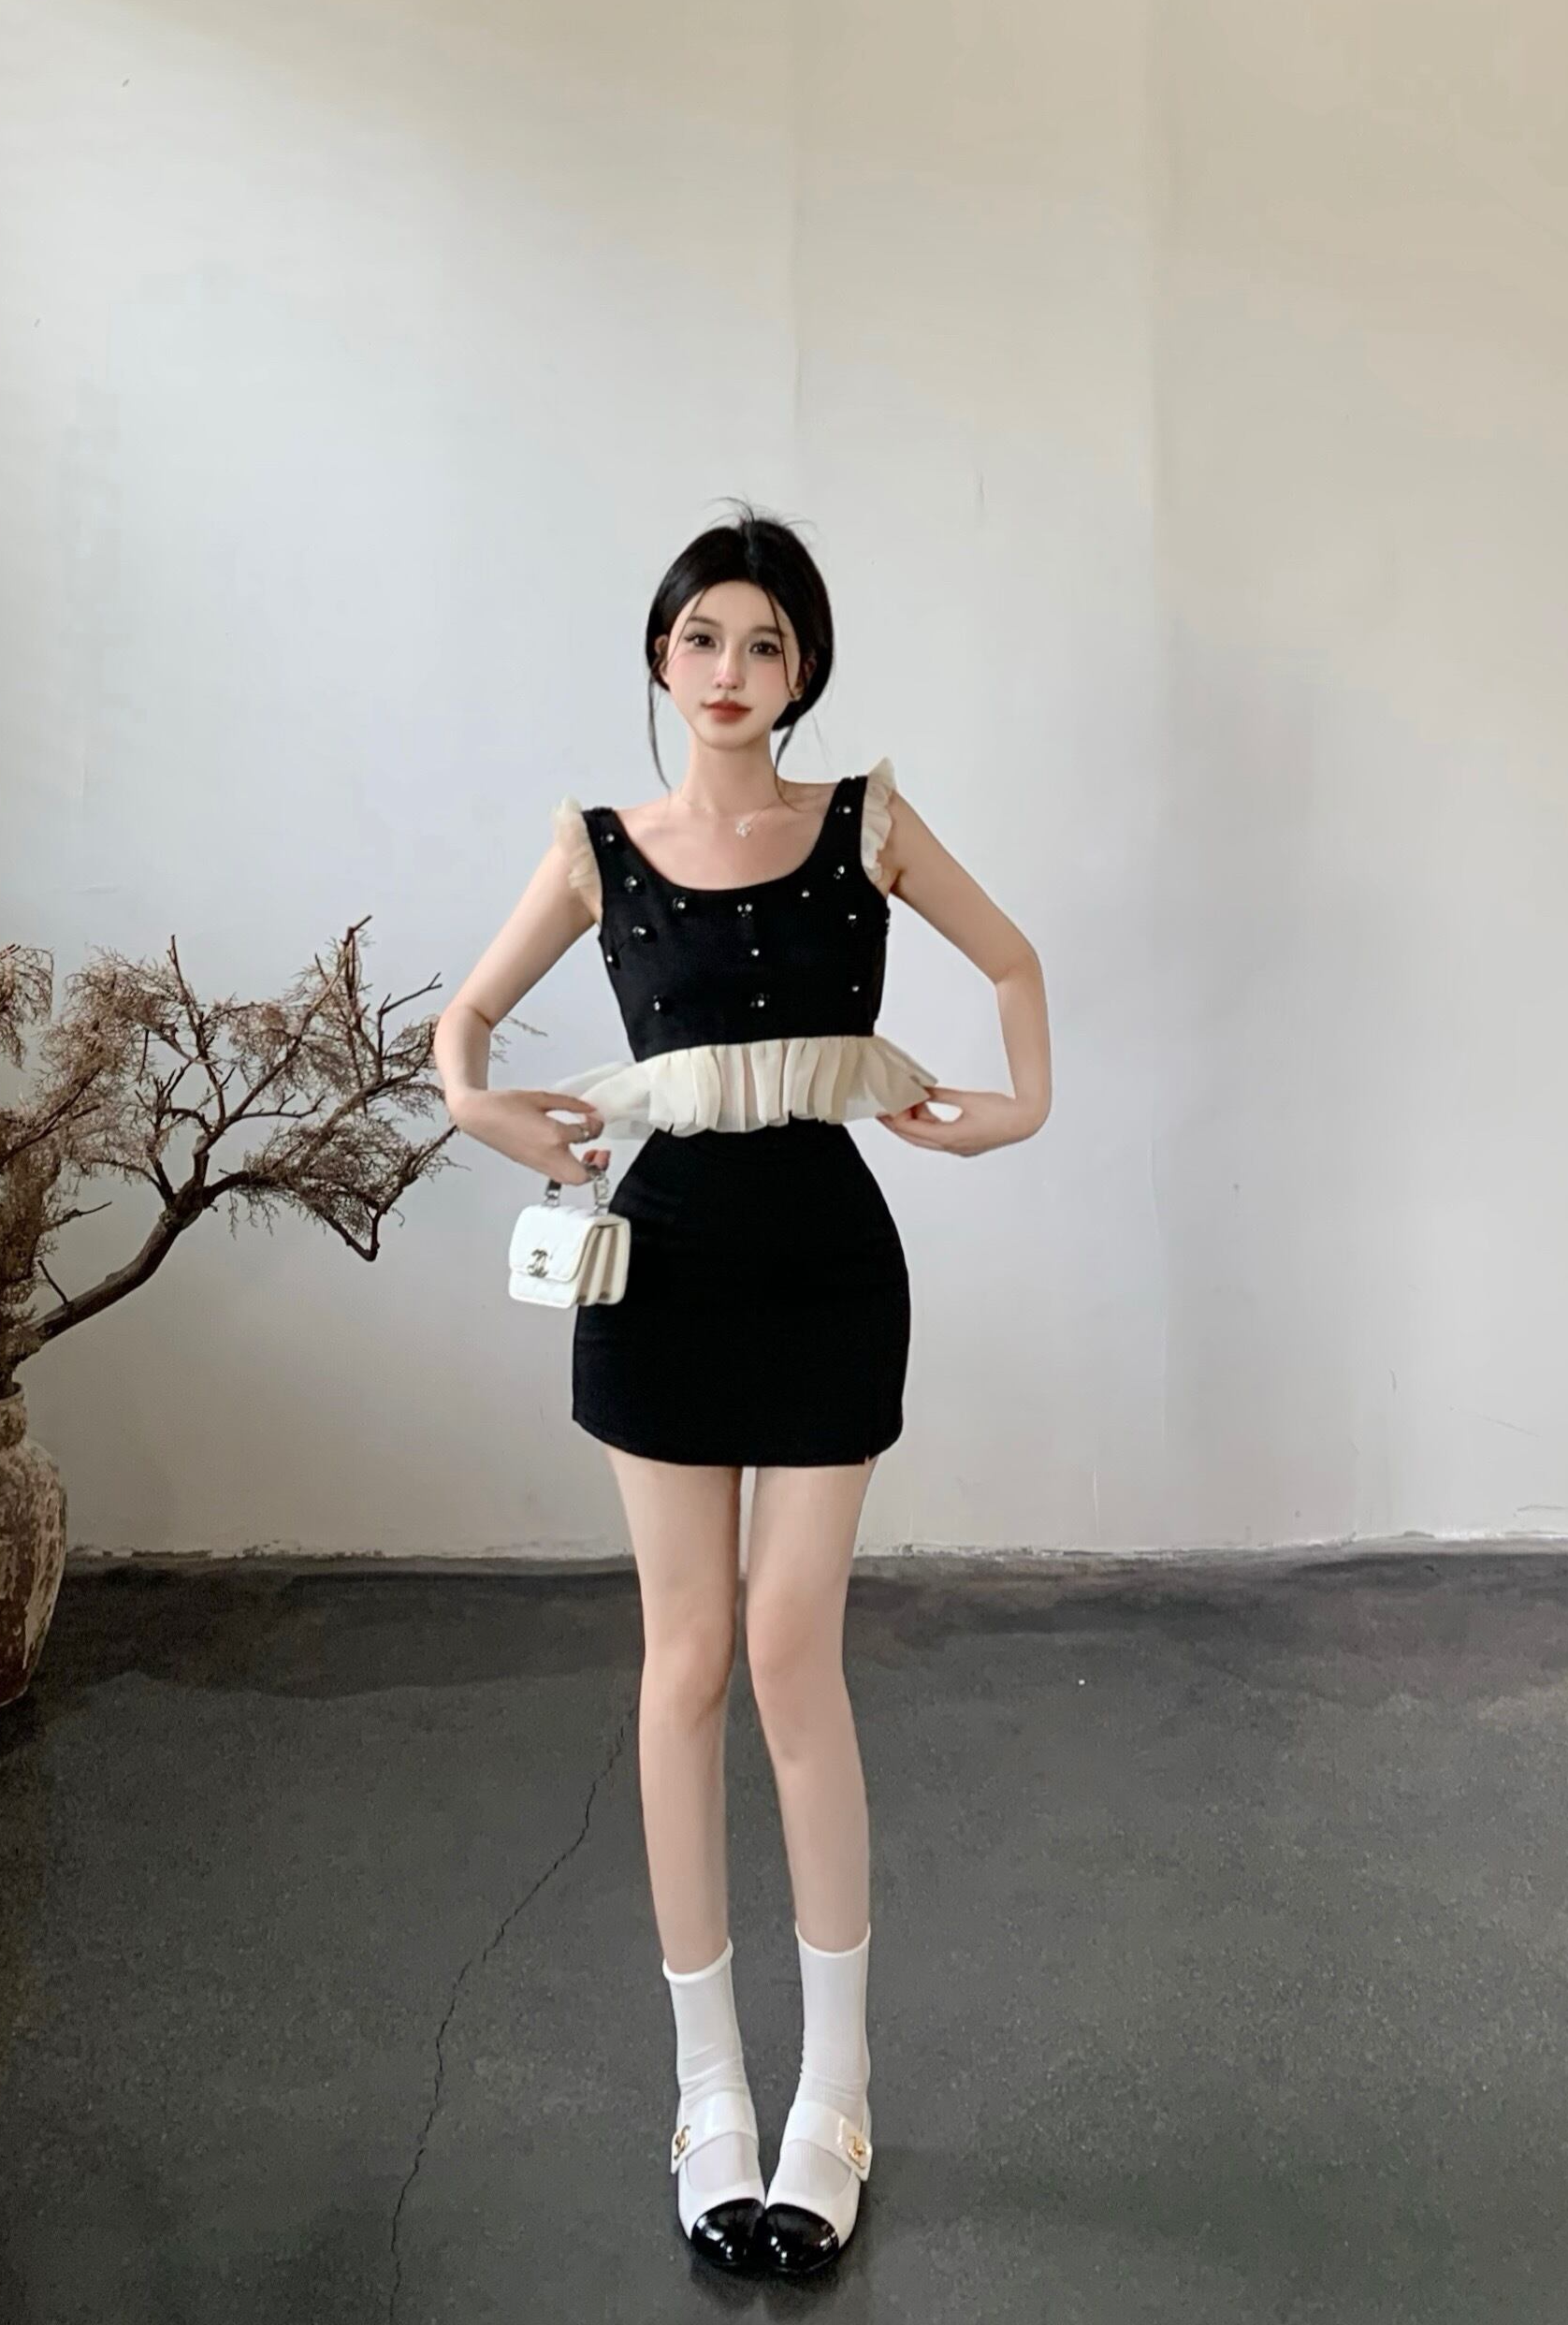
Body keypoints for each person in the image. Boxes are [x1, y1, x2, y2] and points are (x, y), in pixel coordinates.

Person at [433, 503, 1052, 2277]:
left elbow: (1012, 960)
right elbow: (462, 1031)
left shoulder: (866, 823)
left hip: (832, 1270)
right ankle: (709, 2089)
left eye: (764, 643)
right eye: (702, 637)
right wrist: (481, 1105)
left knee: (791, 1654)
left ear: (804, 670)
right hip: (660, 1275)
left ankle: (831, 2093)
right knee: (686, 1657)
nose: (729, 670)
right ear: (659, 656)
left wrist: (1016, 1108)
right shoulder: (597, 849)